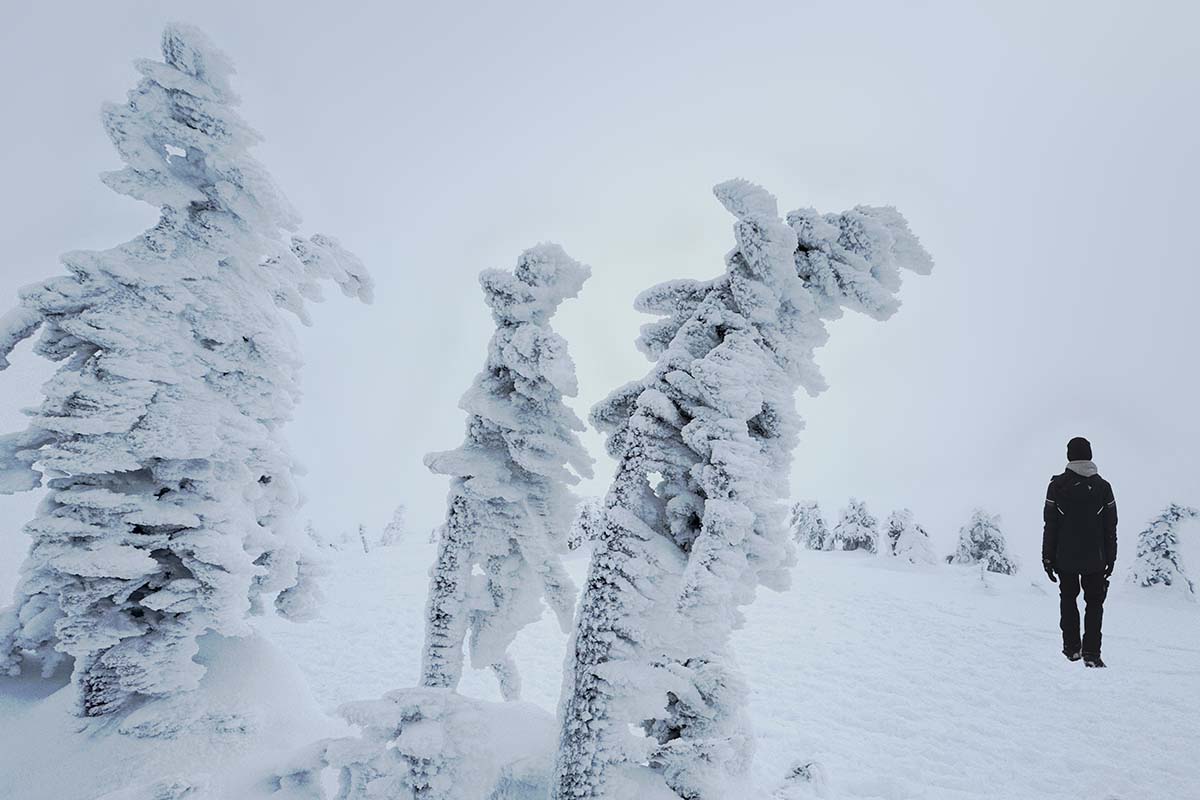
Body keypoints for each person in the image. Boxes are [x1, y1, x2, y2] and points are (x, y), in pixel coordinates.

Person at [1041, 437, 1118, 668]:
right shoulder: (1103, 487)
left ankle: (1072, 648)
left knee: (1068, 598)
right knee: (1094, 603)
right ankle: (1092, 654)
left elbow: (1050, 523)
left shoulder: (1057, 486)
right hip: (1096, 558)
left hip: (1065, 558)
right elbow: (1110, 527)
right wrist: (1111, 559)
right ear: (1090, 455)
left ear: (1069, 456)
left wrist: (1047, 557)